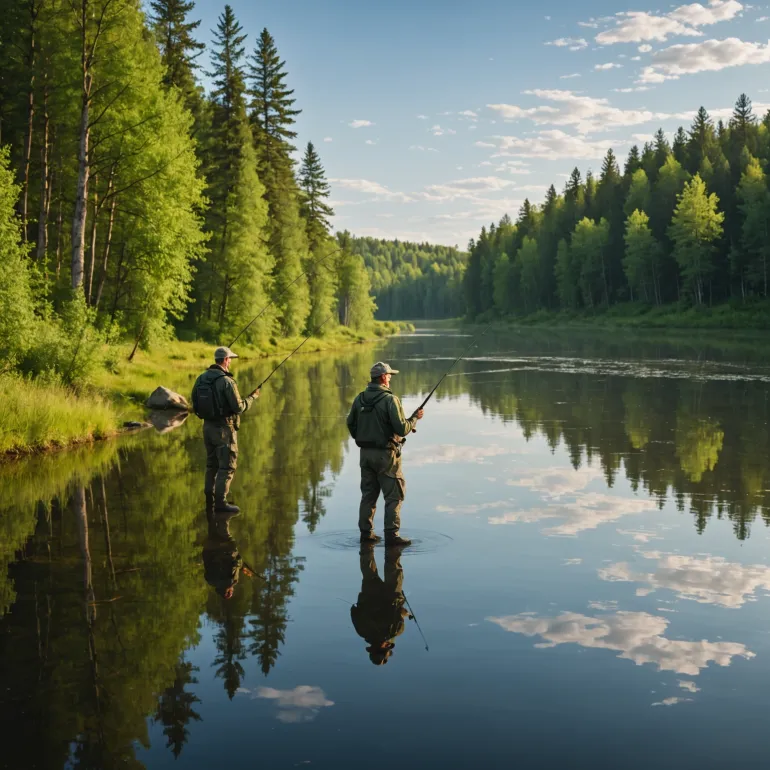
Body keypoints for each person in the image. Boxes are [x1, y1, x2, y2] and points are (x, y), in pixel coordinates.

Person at [346, 361, 424, 546]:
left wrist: (363, 436)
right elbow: (402, 428)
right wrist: (414, 418)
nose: (390, 378)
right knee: (394, 496)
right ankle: (392, 535)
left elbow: (350, 423)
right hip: (386, 456)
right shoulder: (390, 399)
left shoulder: (360, 398)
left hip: (365, 455)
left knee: (368, 495)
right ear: (382, 377)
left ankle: (366, 534)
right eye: (389, 375)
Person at [191, 346, 258, 514]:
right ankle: (220, 503)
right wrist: (252, 397)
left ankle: (210, 497)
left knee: (211, 463)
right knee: (227, 466)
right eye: (230, 359)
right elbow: (239, 408)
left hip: (207, 427)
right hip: (223, 430)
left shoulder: (201, 378)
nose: (230, 362)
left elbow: (195, 403)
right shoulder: (227, 381)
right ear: (226, 360)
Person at [350, 543, 408, 665]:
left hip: (378, 592)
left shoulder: (396, 631)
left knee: (389, 564)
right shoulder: (363, 631)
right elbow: (354, 610)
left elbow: (354, 611)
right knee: (374, 564)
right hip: (382, 592)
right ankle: (375, 540)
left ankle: (371, 540)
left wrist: (406, 614)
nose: (382, 645)